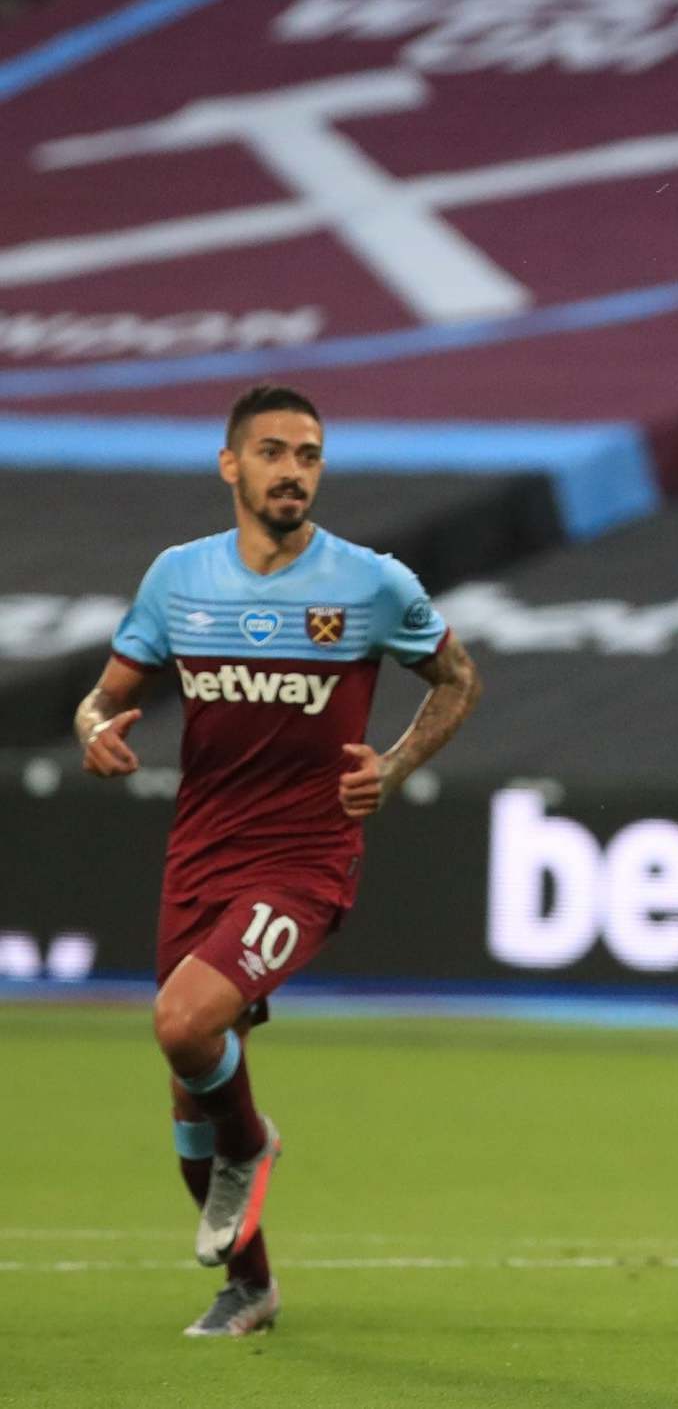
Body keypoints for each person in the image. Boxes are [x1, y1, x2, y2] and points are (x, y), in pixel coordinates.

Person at [76, 383, 483, 1338]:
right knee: (191, 1090)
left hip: (302, 859)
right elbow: (100, 698)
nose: (292, 470)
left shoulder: (371, 582)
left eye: (307, 454)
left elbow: (457, 681)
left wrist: (393, 766)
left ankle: (252, 1147)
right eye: (271, 452)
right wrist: (96, 731)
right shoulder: (178, 579)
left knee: (183, 1025)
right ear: (231, 466)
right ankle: (250, 1286)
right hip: (200, 855)